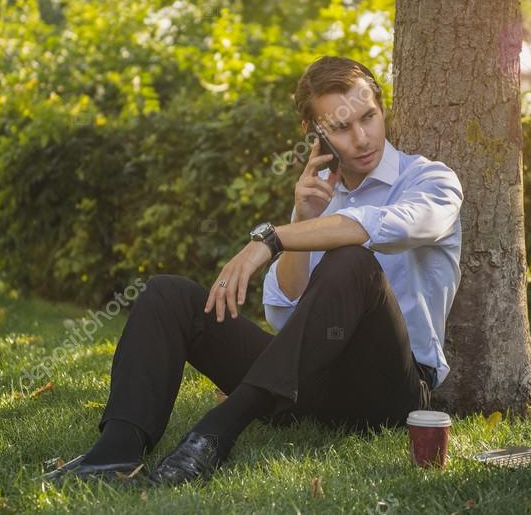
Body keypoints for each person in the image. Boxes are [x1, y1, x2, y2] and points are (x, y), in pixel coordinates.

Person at [41, 55, 464, 487]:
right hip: (308, 383)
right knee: (168, 294)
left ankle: (215, 432)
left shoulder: (430, 180)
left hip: (392, 390)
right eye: (340, 127)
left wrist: (273, 239)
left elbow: (393, 226)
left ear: (381, 108)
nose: (361, 137)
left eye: (369, 117)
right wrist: (301, 216)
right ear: (315, 135)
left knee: (352, 258)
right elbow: (284, 314)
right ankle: (114, 454)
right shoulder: (319, 199)